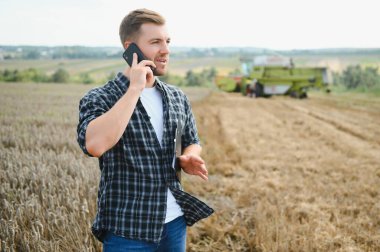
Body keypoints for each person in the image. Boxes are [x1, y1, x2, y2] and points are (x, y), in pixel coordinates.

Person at [76, 8, 214, 251]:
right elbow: (95, 145)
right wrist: (134, 90)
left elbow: (192, 139)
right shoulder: (100, 97)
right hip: (127, 229)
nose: (166, 50)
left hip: (174, 222)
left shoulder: (176, 96)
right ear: (131, 48)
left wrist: (190, 156)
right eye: (155, 42)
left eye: (167, 41)